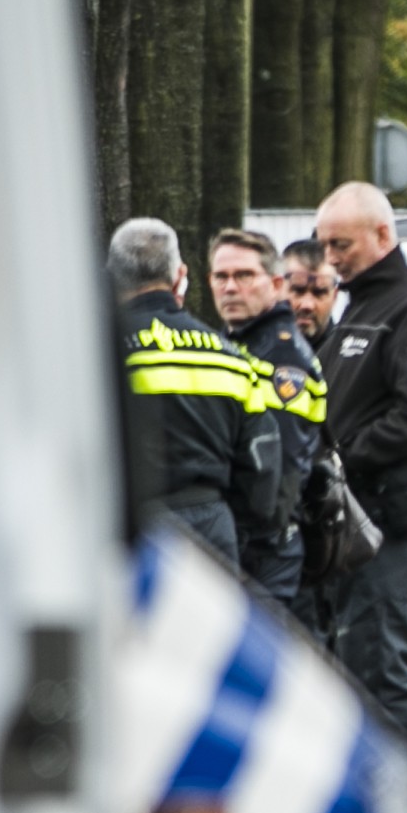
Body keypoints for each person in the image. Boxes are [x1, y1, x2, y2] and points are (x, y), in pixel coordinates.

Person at [312, 182, 407, 751]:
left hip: (392, 519)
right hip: (351, 523)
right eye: (324, 244)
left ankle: (394, 811)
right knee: (348, 671)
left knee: (376, 672)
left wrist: (341, 458)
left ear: (381, 235)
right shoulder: (361, 309)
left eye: (341, 244)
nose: (331, 257)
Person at [115, 217, 274, 568]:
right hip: (212, 528)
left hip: (130, 529)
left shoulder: (99, 355)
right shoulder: (230, 356)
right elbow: (261, 461)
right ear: (179, 274)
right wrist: (238, 527)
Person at [209, 228, 330, 605]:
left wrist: (248, 534)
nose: (230, 287)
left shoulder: (281, 358)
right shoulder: (231, 344)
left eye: (244, 275)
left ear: (275, 283)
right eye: (221, 277)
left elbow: (284, 465)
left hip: (264, 547)